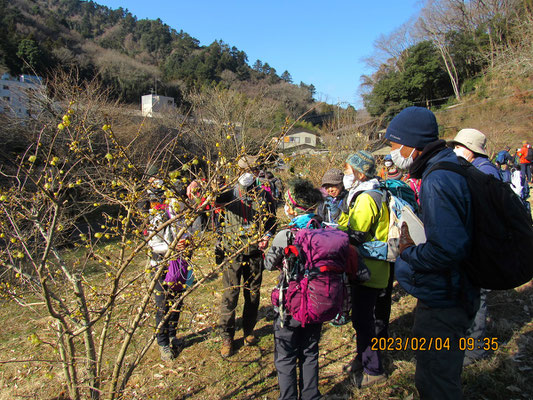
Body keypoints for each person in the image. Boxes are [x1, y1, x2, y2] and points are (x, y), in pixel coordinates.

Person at [385, 106, 479, 400]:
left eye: (394, 144)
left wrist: (409, 253)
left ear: (411, 143)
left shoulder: (438, 179)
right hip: (454, 290)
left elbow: (449, 247)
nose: (392, 152)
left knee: (435, 381)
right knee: (440, 376)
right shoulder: (449, 167)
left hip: (445, 299)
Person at [264, 178, 326, 400]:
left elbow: (269, 264)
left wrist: (268, 249)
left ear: (293, 207)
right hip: (318, 299)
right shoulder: (323, 227)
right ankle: (311, 396)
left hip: (291, 302)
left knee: (286, 354)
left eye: (288, 203)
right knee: (310, 351)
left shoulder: (287, 234)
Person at [213, 154, 277, 357]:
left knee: (253, 293)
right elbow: (207, 204)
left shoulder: (265, 195)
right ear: (237, 172)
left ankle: (248, 330)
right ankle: (227, 337)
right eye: (243, 171)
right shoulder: (228, 193)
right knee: (230, 295)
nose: (248, 175)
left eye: (252, 171)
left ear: (258, 173)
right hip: (233, 251)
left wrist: (266, 236)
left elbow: (272, 222)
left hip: (254, 253)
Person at [337, 150, 389, 388]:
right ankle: (364, 357)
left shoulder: (367, 198)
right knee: (366, 318)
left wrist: (333, 232)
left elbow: (356, 235)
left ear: (358, 173)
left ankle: (374, 369)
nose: (345, 173)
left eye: (348, 169)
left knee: (363, 320)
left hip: (368, 269)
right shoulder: (371, 193)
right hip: (374, 267)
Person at [449, 128, 500, 366]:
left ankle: (476, 348)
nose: (455, 151)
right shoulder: (475, 169)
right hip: (472, 241)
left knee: (477, 296)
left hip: (480, 244)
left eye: (458, 147)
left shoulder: (484, 173)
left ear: (469, 149)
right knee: (468, 293)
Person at [146, 179, 200, 361]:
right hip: (161, 264)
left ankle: (172, 335)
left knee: (177, 300)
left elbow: (194, 230)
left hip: (180, 262)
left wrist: (189, 240)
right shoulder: (157, 214)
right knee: (162, 302)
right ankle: (162, 343)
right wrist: (173, 246)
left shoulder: (182, 211)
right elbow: (153, 243)